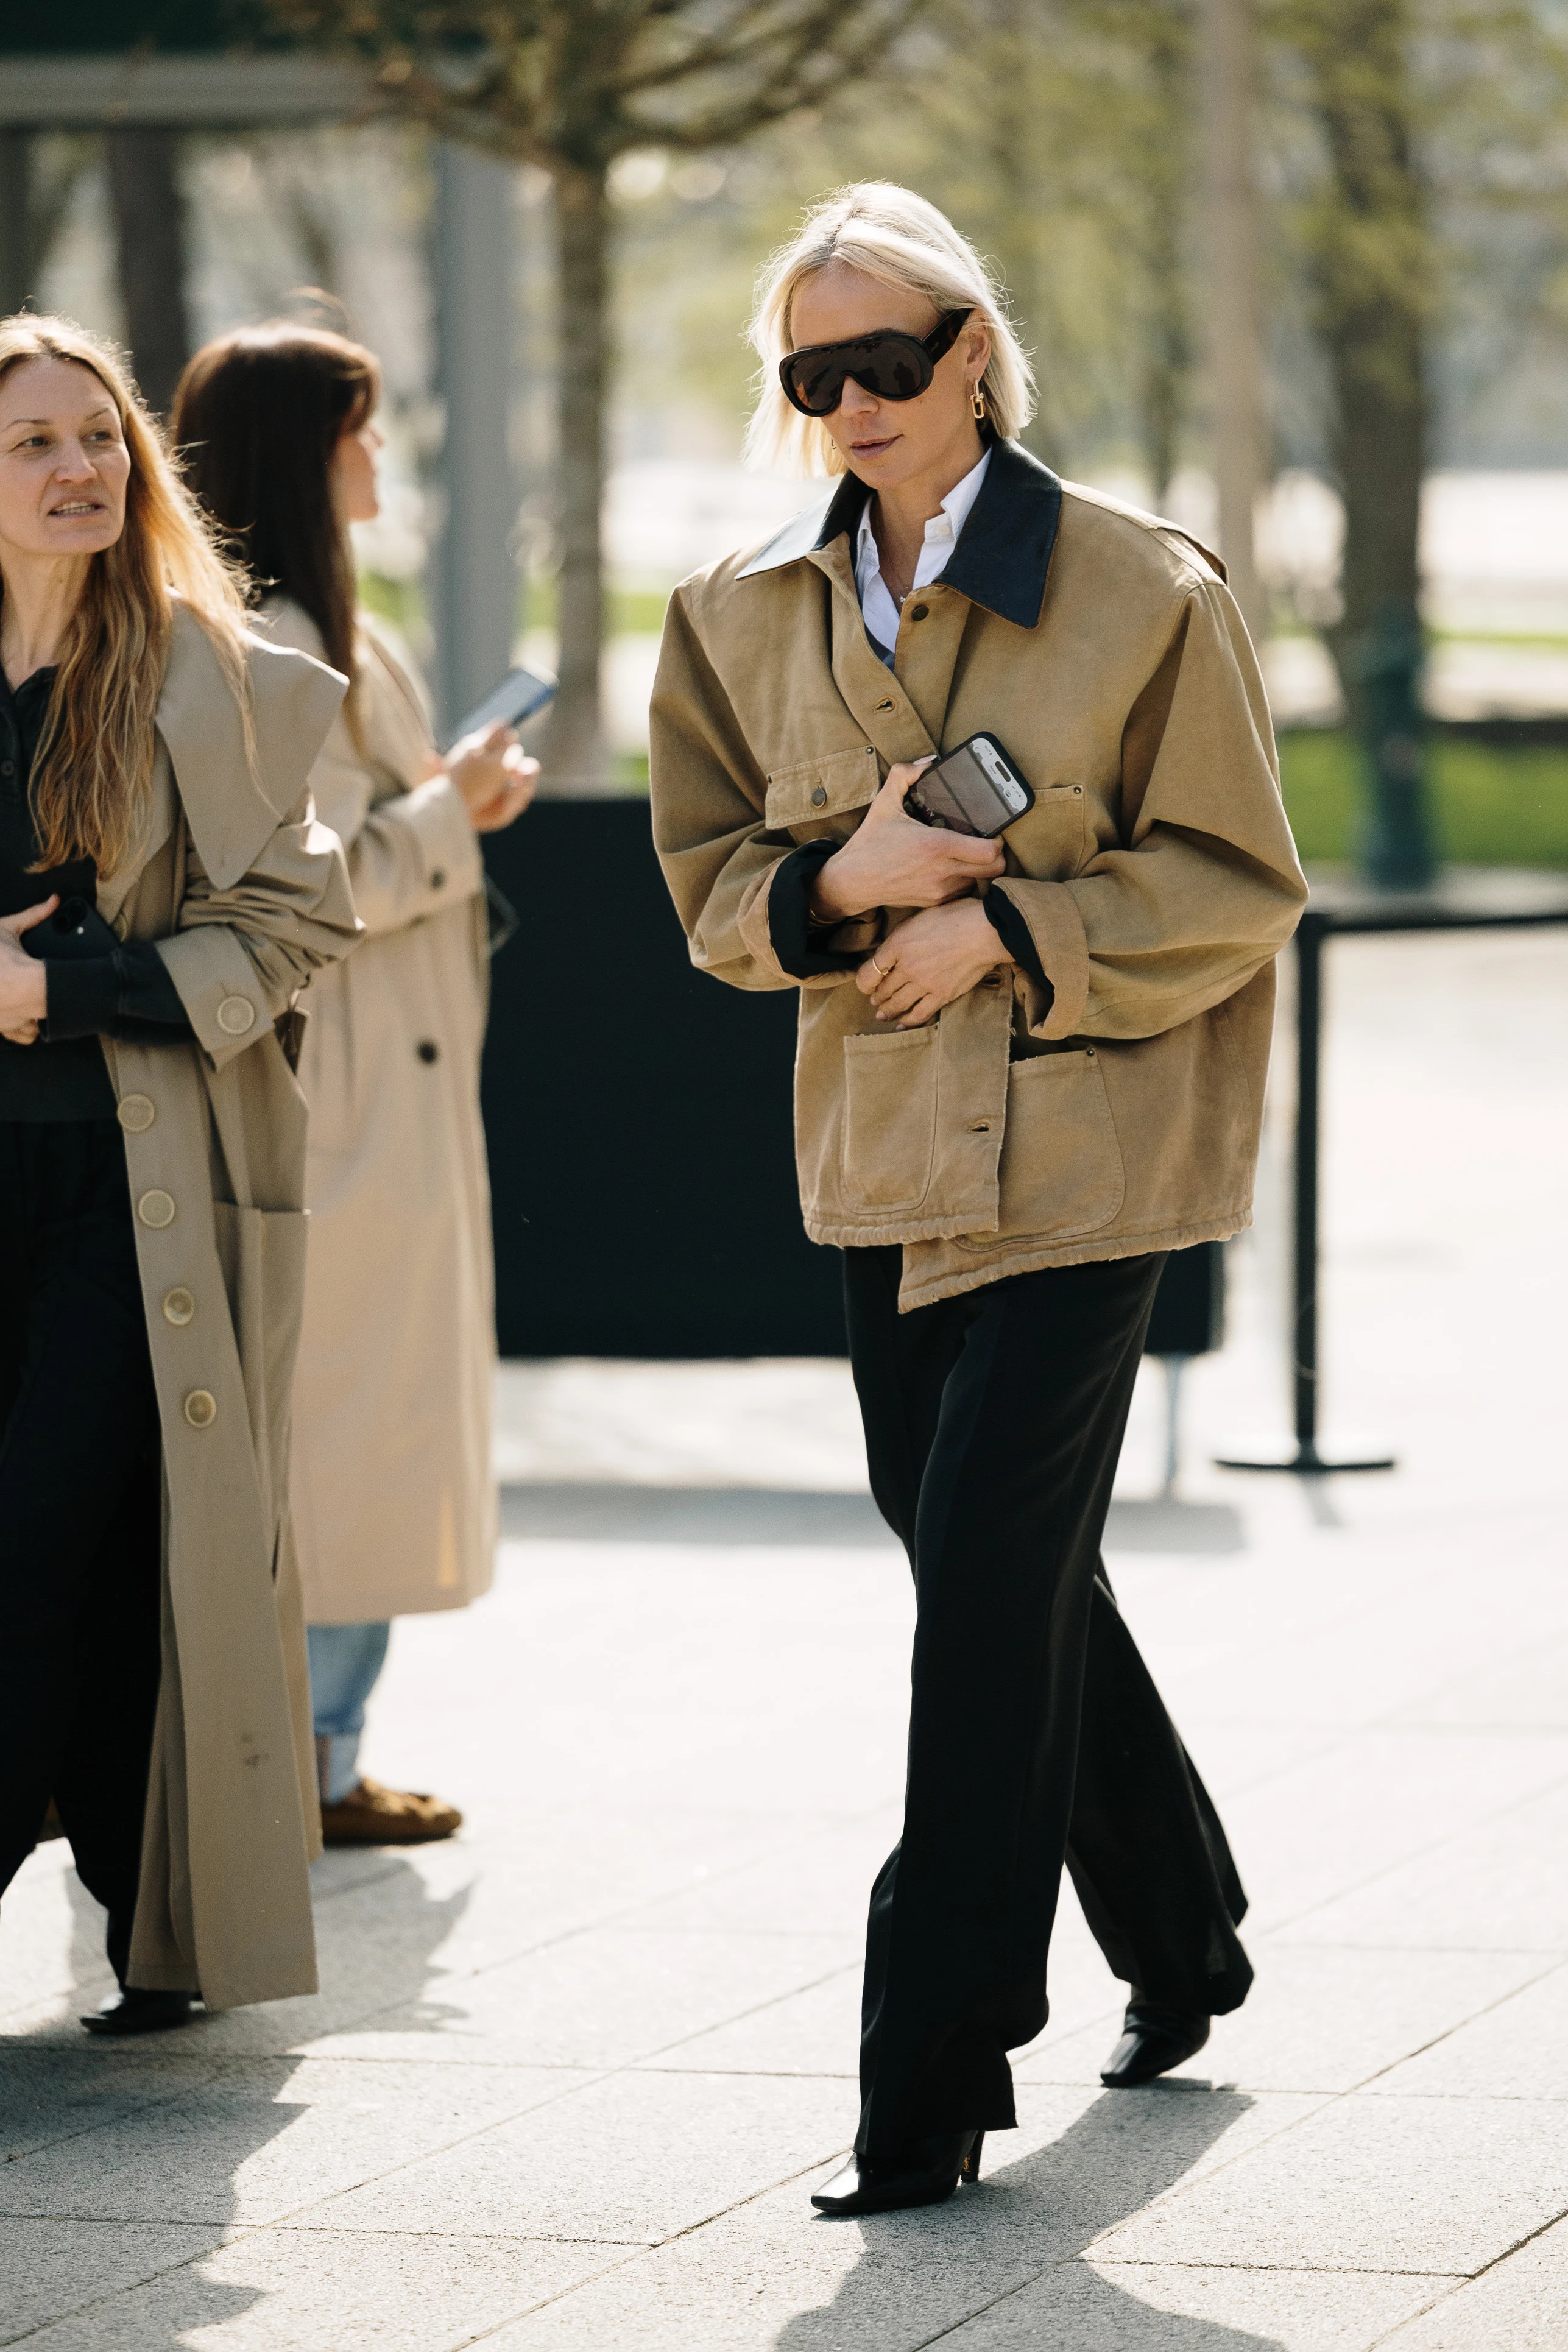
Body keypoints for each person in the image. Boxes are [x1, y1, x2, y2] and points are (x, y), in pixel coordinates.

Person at [649, 185, 1307, 2216]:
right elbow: (709, 893)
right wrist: (837, 892)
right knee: (992, 1568)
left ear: (972, 357)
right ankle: (1184, 1932)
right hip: (881, 1156)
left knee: (980, 1602)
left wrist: (1015, 930)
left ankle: (925, 2080)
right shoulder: (737, 608)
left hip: (1089, 1158)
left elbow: (1235, 881)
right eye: (810, 372)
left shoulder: (1136, 586)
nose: (850, 402)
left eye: (886, 360)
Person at [0, 314, 359, 2033]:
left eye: (98, 436)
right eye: (33, 445)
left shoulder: (206, 673)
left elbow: (296, 923)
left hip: (123, 1201)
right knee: (76, 1556)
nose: (78, 470)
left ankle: (159, 1919)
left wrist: (58, 993)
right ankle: (151, 1925)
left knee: (52, 1534)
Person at [172, 327, 536, 1845]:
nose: (382, 457)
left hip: (390, 1078)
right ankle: (307, 1762)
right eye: (360, 433)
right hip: (345, 1089)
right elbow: (301, 877)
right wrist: (453, 812)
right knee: (343, 1436)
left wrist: (447, 801)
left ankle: (323, 1751)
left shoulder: (329, 622)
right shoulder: (268, 635)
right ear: (302, 453)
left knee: (361, 1429)